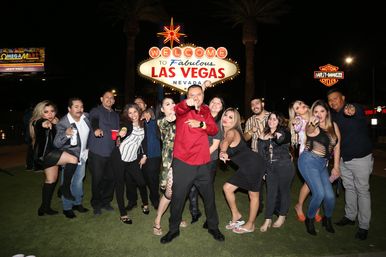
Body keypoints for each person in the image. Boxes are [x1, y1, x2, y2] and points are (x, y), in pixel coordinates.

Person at [160, 85, 224, 244]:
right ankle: (173, 230)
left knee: (209, 197)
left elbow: (214, 129)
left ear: (203, 96)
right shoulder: (183, 110)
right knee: (178, 199)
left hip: (202, 163)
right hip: (183, 163)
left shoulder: (205, 111)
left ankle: (213, 226)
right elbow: (178, 108)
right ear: (187, 96)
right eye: (192, 94)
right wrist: (187, 103)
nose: (196, 97)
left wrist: (200, 124)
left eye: (199, 94)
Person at [327, 89, 373, 240]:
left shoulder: (353, 109)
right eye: (330, 100)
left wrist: (352, 109)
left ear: (343, 98)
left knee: (362, 190)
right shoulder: (333, 116)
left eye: (335, 98)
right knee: (349, 188)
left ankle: (364, 226)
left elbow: (356, 110)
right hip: (343, 159)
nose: (332, 102)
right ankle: (350, 216)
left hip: (361, 158)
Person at [297, 99, 341, 235]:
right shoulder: (313, 126)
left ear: (327, 112)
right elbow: (309, 130)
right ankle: (309, 219)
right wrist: (311, 123)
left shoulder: (333, 126)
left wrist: (336, 166)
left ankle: (327, 219)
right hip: (308, 161)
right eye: (316, 111)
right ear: (312, 114)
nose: (319, 114)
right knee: (319, 193)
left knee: (330, 196)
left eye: (322, 111)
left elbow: (337, 146)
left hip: (323, 164)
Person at [219, 107, 265, 234]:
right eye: (225, 115)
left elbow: (226, 142)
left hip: (254, 164)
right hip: (247, 166)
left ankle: (250, 224)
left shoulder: (232, 132)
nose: (226, 119)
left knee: (253, 194)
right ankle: (236, 215)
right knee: (227, 188)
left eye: (230, 117)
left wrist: (223, 151)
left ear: (235, 121)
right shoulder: (225, 132)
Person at [30, 100, 79, 216]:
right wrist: (46, 123)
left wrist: (57, 125)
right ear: (40, 113)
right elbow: (41, 124)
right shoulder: (38, 122)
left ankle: (44, 207)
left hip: (51, 154)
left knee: (51, 180)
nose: (50, 114)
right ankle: (64, 188)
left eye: (52, 111)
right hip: (46, 155)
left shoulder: (55, 122)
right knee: (73, 159)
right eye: (46, 112)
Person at [153, 97, 188, 236]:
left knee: (179, 193)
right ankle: (157, 221)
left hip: (185, 161)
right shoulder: (162, 121)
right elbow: (167, 121)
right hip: (172, 163)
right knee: (169, 194)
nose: (172, 105)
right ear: (162, 109)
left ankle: (176, 217)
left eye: (173, 103)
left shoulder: (181, 119)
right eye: (167, 104)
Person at [110, 103, 149, 224]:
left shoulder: (143, 125)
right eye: (130, 113)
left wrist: (144, 155)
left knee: (141, 182)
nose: (133, 115)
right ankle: (123, 214)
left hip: (132, 159)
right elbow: (124, 127)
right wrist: (122, 132)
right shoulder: (127, 124)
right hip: (119, 158)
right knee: (120, 185)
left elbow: (144, 142)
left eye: (135, 112)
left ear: (139, 112)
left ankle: (145, 203)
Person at [189, 96, 225, 224]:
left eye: (218, 102)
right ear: (208, 104)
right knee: (192, 186)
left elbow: (215, 145)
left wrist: (201, 157)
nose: (215, 104)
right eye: (212, 102)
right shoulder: (202, 116)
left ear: (221, 106)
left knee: (206, 188)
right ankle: (194, 212)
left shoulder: (221, 121)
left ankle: (209, 217)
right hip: (194, 157)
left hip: (210, 159)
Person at [53, 97, 91, 219]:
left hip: (83, 155)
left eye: (81, 106)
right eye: (76, 107)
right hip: (70, 157)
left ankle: (77, 203)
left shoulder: (86, 117)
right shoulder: (63, 123)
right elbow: (57, 143)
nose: (79, 109)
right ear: (69, 109)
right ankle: (67, 207)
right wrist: (66, 134)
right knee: (67, 183)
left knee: (79, 181)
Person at [258, 112, 295, 232]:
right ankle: (268, 219)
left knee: (284, 192)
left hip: (284, 165)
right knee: (271, 193)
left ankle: (282, 216)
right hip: (270, 167)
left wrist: (274, 136)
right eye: (270, 119)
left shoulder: (284, 131)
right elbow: (261, 154)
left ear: (279, 121)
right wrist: (263, 170)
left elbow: (282, 140)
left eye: (275, 119)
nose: (271, 121)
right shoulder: (263, 133)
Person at [289, 100, 322, 223]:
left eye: (301, 104)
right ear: (296, 112)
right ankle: (312, 209)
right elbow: (297, 127)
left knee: (311, 184)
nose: (301, 107)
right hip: (307, 156)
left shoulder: (317, 115)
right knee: (313, 184)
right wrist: (295, 122)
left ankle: (302, 206)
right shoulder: (299, 121)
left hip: (321, 155)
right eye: (297, 107)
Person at [88, 91, 120, 215]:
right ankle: (96, 204)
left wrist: (118, 140)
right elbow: (94, 120)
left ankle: (106, 202)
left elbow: (116, 131)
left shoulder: (115, 115)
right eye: (107, 97)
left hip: (111, 152)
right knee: (97, 179)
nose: (109, 99)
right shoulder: (96, 110)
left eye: (111, 98)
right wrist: (96, 129)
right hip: (97, 152)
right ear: (101, 99)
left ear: (114, 101)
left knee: (111, 178)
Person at [132, 96, 161, 211]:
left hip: (153, 154)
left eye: (140, 102)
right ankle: (141, 201)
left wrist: (149, 112)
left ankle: (155, 200)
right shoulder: (134, 119)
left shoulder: (151, 116)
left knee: (152, 178)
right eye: (136, 103)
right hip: (137, 154)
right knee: (141, 179)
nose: (138, 104)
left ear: (144, 105)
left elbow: (155, 112)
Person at [23, 102, 34, 171]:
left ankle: (29, 165)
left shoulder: (26, 113)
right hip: (31, 134)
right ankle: (30, 166)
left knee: (31, 150)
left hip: (29, 134)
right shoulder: (30, 114)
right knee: (31, 150)